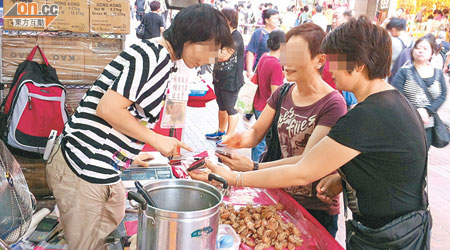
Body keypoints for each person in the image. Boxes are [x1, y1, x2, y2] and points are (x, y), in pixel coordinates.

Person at [191, 16, 431, 249]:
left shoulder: (366, 115)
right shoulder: (393, 102)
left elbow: (302, 171)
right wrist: (342, 178)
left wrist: (235, 178)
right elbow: (385, 165)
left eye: (336, 60)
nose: (331, 68)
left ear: (358, 65)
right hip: (398, 228)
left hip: (389, 237)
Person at [45, 4, 233, 250]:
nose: (210, 59)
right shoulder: (153, 57)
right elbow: (108, 109)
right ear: (192, 37)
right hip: (84, 167)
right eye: (211, 50)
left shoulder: (161, 58)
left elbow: (126, 111)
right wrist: (157, 140)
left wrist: (128, 154)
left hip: (99, 165)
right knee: (85, 243)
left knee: (111, 214)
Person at [208, 24, 347, 236]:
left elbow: (306, 161)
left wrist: (252, 168)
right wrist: (235, 140)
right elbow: (255, 133)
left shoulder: (333, 104)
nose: (285, 62)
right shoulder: (283, 92)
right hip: (280, 198)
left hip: (315, 209)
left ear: (320, 60)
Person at [392, 35, 447, 150]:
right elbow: (396, 95)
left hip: (428, 125)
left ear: (432, 53)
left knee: (423, 155)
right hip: (407, 123)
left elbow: (442, 96)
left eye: (425, 48)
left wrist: (427, 110)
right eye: (417, 47)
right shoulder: (404, 72)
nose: (420, 51)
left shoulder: (438, 74)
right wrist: (416, 111)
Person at [205, 8, 244, 142]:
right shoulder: (222, 35)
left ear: (228, 20)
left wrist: (210, 52)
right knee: (221, 106)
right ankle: (221, 131)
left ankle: (229, 136)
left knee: (231, 108)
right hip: (219, 77)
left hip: (231, 79)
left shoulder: (236, 36)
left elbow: (223, 56)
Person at [250, 30, 286, 162]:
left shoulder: (264, 56)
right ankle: (255, 168)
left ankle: (252, 164)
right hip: (268, 108)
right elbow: (276, 92)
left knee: (256, 138)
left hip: (258, 103)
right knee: (262, 142)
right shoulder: (276, 64)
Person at [245, 8, 279, 78]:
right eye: (275, 18)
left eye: (278, 18)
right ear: (267, 20)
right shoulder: (259, 33)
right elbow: (251, 52)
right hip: (261, 72)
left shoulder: (279, 34)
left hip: (276, 72)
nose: (277, 21)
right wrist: (249, 71)